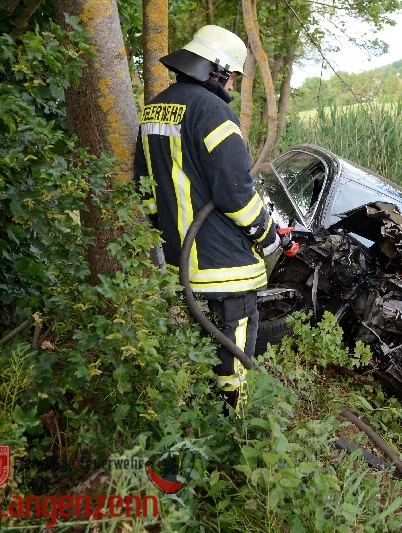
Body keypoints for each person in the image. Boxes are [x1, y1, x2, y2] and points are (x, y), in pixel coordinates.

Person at [133, 25, 280, 411]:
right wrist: (268, 237)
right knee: (233, 353)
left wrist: (163, 236)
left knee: (198, 349)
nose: (231, 86)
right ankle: (236, 425)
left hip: (179, 265)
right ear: (215, 70)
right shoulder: (213, 111)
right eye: (231, 75)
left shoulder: (154, 110)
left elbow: (144, 190)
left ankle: (199, 414)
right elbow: (235, 193)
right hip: (224, 266)